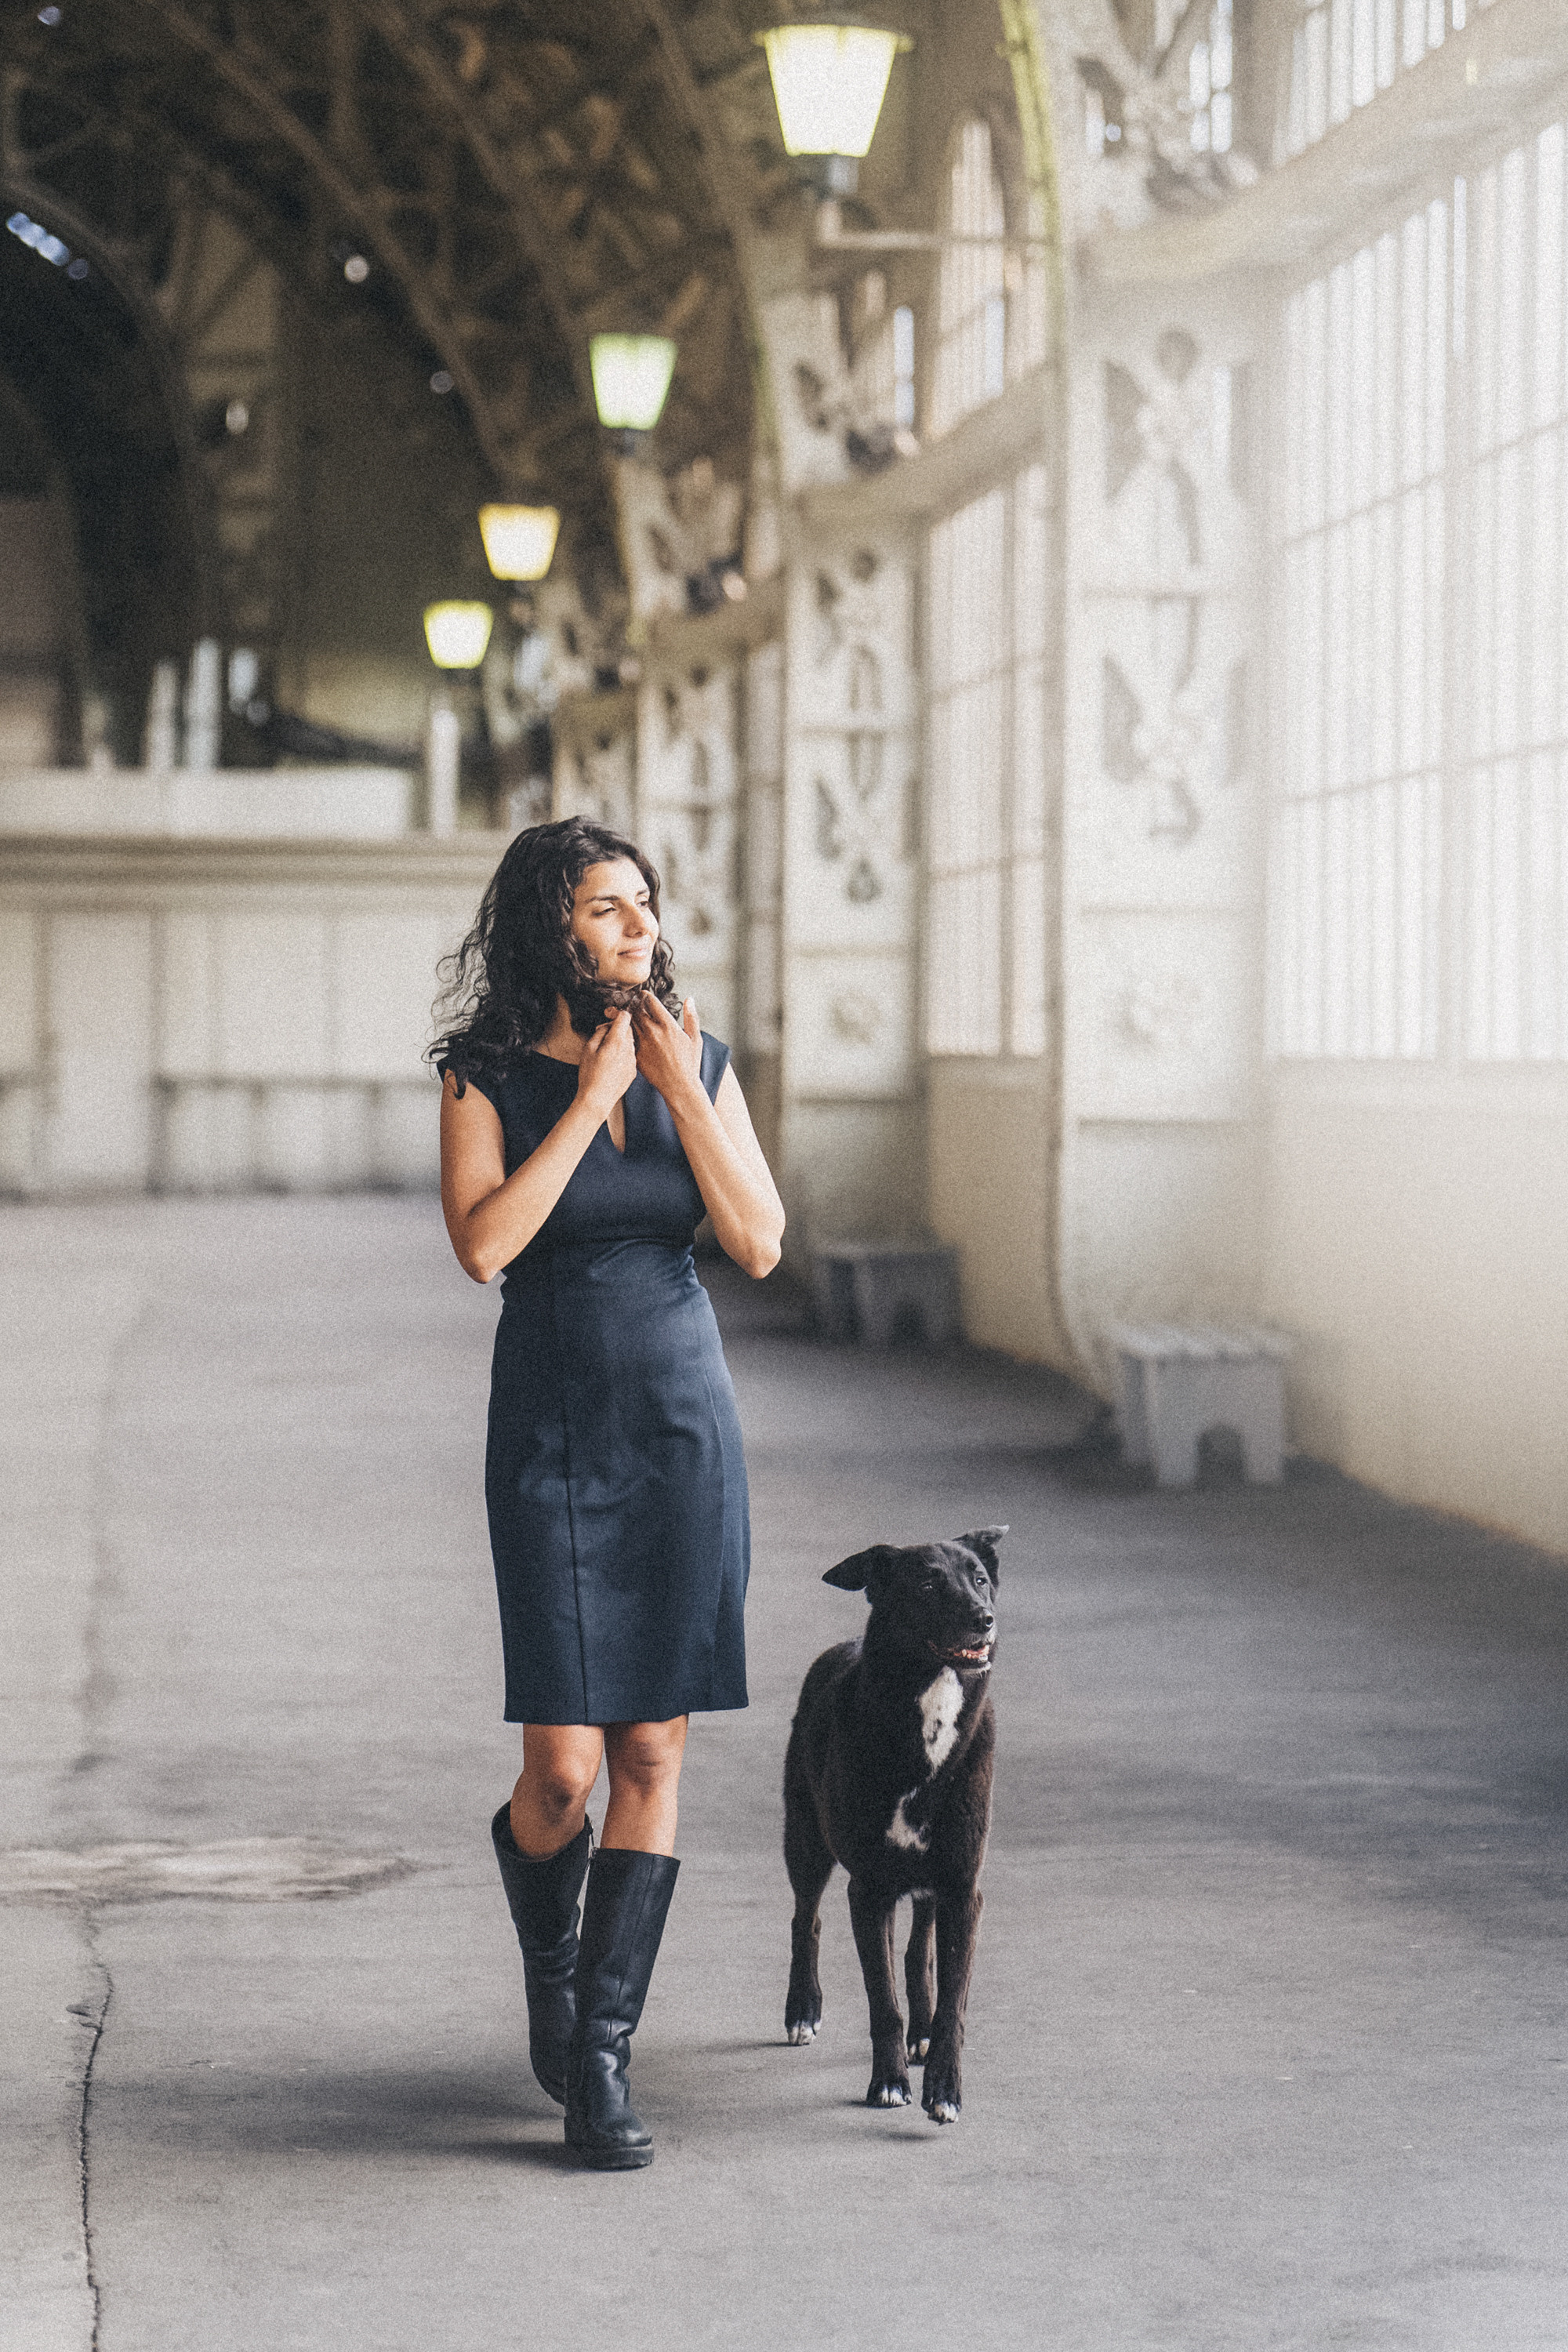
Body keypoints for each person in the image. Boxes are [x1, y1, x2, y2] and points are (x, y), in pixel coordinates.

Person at [432, 818, 784, 2170]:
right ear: (549, 926)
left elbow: (755, 1240)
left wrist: (681, 1087)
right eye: (606, 907)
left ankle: (602, 2059)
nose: (639, 927)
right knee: (561, 1768)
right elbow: (485, 1247)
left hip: (682, 1421)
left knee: (649, 1751)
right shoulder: (484, 1074)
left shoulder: (705, 1057)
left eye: (645, 904)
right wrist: (589, 1103)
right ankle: (552, 1965)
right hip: (552, 1427)